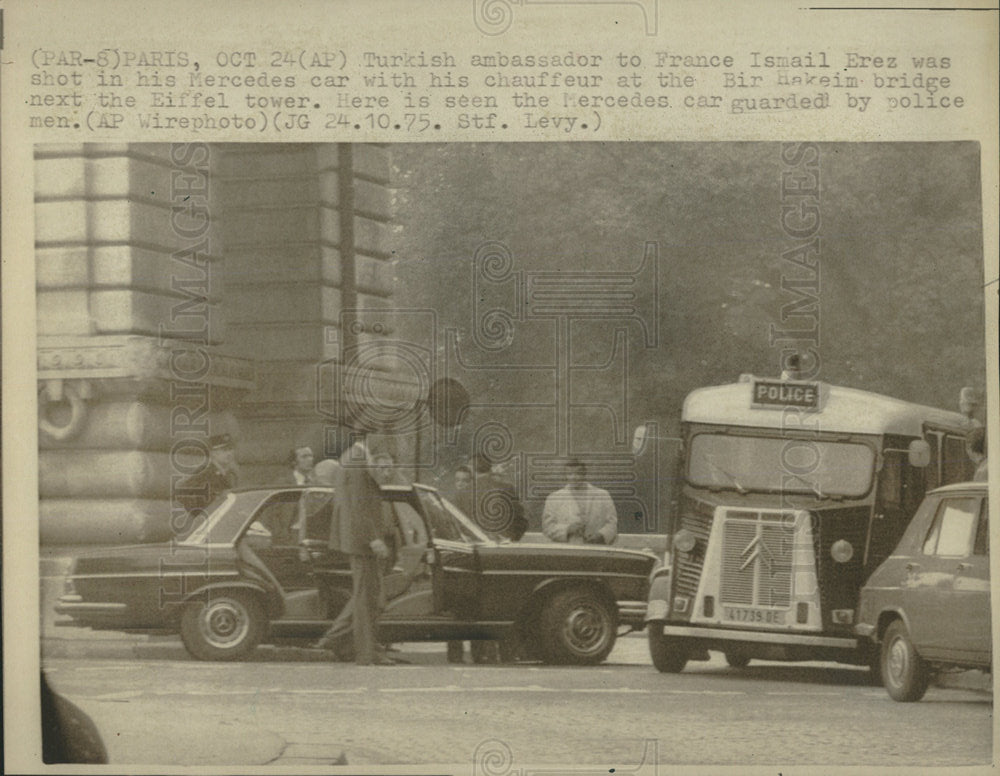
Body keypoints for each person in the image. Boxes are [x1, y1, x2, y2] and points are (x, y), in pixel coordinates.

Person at [316, 436, 394, 665]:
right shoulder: (357, 461)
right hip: (362, 540)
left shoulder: (354, 458)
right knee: (365, 598)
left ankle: (338, 640)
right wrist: (373, 538)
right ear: (372, 436)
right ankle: (365, 652)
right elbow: (359, 506)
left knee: (365, 595)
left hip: (357, 539)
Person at [541, 459, 618, 545]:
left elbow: (612, 523)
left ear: (584, 474)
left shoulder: (603, 495)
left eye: (578, 473)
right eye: (570, 474)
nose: (574, 477)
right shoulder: (553, 498)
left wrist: (601, 535)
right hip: (566, 551)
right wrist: (567, 529)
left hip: (597, 549)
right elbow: (547, 528)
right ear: (565, 476)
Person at [175, 433, 239, 524]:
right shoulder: (204, 473)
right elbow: (182, 492)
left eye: (230, 449)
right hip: (209, 523)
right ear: (213, 453)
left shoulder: (231, 475)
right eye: (223, 450)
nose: (229, 454)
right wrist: (200, 513)